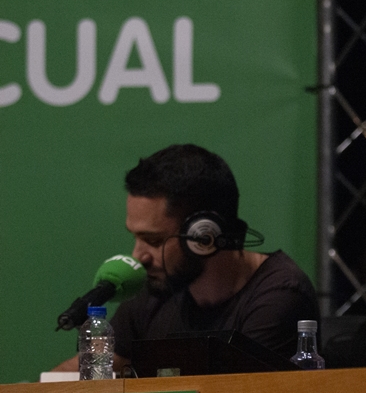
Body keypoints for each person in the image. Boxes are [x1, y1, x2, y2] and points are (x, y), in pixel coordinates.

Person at [55, 143, 319, 373]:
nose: (138, 256)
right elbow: (83, 370)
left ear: (204, 236)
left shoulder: (279, 297)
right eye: (135, 237)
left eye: (153, 241)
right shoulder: (156, 287)